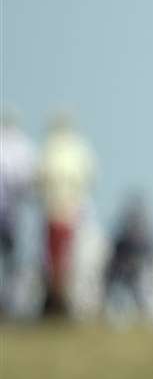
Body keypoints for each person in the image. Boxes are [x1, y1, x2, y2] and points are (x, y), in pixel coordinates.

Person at [37, 113, 96, 316]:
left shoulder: (53, 149)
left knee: (63, 261)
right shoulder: (69, 149)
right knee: (59, 261)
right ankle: (57, 302)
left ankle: (62, 302)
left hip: (65, 212)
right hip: (61, 212)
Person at [0, 107, 38, 312]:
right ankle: (8, 302)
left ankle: (8, 302)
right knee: (10, 262)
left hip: (9, 213)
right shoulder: (22, 147)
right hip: (10, 214)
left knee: (11, 261)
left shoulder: (20, 146)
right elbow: (27, 182)